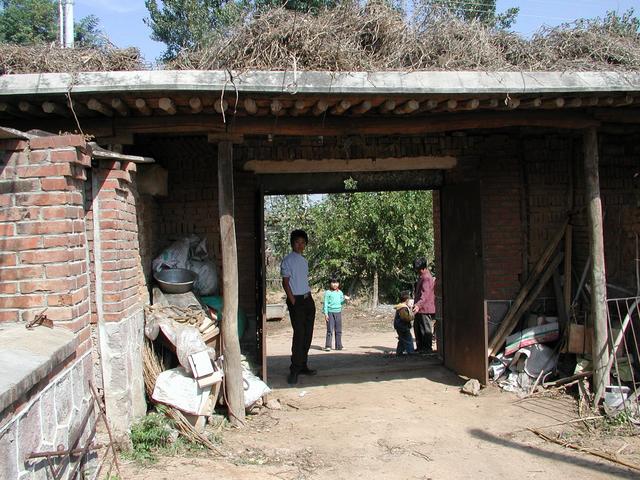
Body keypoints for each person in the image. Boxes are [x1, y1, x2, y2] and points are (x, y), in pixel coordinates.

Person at [281, 229, 317, 385]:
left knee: (308, 335)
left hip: (308, 299)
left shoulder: (304, 261)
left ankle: (303, 365)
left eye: (303, 242)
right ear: (292, 243)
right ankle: (294, 369)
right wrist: (293, 301)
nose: (300, 245)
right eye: (297, 242)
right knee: (299, 335)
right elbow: (285, 282)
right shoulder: (287, 261)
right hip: (296, 301)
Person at [412, 257, 436, 353]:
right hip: (420, 308)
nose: (417, 271)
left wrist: (418, 305)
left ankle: (427, 349)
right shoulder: (422, 276)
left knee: (425, 329)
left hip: (425, 308)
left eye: (418, 269)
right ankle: (420, 348)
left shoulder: (426, 278)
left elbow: (425, 294)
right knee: (417, 328)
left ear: (423, 268)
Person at [322, 277, 350, 351]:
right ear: (330, 283)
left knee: (338, 330)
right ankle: (328, 346)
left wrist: (346, 300)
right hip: (330, 313)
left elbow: (341, 302)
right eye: (333, 282)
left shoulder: (340, 292)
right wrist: (326, 313)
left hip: (338, 312)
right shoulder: (328, 292)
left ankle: (339, 346)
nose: (335, 284)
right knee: (330, 330)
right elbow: (325, 304)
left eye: (337, 282)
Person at [394, 290, 415, 355]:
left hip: (399, 326)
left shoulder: (401, 307)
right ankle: (411, 352)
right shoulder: (403, 308)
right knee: (408, 339)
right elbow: (405, 318)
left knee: (402, 340)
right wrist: (412, 316)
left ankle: (399, 352)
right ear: (407, 299)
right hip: (403, 327)